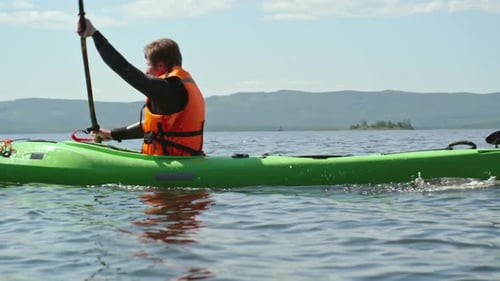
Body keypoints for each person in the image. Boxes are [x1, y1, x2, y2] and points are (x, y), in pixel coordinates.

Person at [77, 18, 205, 156]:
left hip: (172, 164)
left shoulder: (167, 89)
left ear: (161, 66)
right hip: (187, 158)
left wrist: (94, 34)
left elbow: (124, 68)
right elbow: (150, 128)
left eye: (148, 65)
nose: (146, 71)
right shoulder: (178, 87)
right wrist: (110, 134)